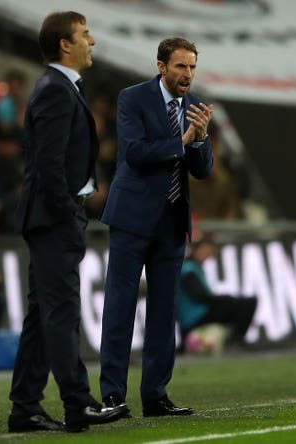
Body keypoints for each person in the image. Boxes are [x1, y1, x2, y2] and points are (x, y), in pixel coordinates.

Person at [7, 11, 129, 434]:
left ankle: (25, 406)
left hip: (49, 216)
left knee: (43, 313)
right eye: (84, 34)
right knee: (60, 312)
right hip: (53, 218)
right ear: (65, 44)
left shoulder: (60, 89)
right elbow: (48, 163)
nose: (92, 41)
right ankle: (78, 402)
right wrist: (68, 212)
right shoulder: (57, 91)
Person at [100, 37, 214, 417]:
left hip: (172, 219)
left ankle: (156, 395)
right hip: (132, 219)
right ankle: (113, 395)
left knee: (164, 311)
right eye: (181, 66)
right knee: (121, 305)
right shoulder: (132, 98)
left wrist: (201, 140)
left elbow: (204, 170)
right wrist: (182, 140)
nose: (188, 75)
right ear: (162, 66)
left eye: (193, 67)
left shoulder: (195, 107)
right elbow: (135, 152)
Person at [177, 236, 257, 348]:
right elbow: (200, 296)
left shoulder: (192, 268)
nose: (208, 255)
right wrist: (223, 299)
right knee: (247, 303)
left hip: (196, 318)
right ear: (197, 249)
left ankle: (232, 339)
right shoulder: (188, 269)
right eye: (206, 251)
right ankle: (236, 340)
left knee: (236, 304)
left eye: (210, 252)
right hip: (195, 319)